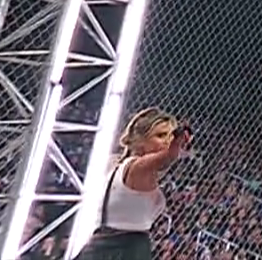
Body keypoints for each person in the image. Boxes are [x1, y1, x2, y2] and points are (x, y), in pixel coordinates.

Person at [77, 108, 190, 260]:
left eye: (170, 136)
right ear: (140, 141)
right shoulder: (138, 167)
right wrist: (176, 143)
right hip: (124, 248)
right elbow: (168, 157)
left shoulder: (120, 166)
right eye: (160, 135)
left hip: (104, 245)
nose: (167, 141)